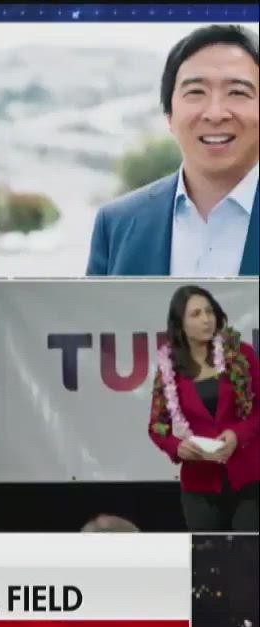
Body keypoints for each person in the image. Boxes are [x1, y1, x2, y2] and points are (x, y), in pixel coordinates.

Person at [87, 25, 259, 277]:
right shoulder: (117, 223)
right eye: (196, 92)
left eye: (237, 92)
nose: (215, 114)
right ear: (169, 115)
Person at [147, 286, 258, 532]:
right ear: (181, 324)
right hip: (200, 486)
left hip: (249, 480)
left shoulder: (241, 355)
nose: (206, 319)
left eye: (209, 311)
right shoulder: (169, 369)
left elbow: (257, 411)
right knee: (209, 555)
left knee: (248, 553)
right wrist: (178, 447)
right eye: (196, 314)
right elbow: (157, 427)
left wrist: (236, 435)